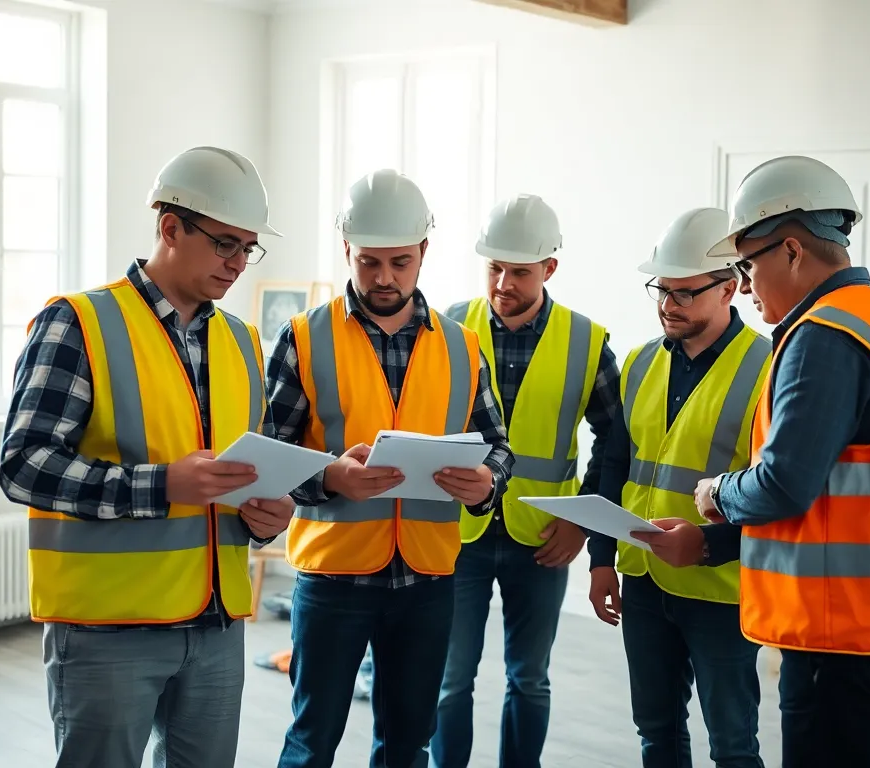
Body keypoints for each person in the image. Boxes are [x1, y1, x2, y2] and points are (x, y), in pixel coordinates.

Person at [648, 156, 870, 768]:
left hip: (843, 630)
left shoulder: (822, 336)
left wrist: (718, 492)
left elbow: (783, 485)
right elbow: (827, 500)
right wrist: (711, 546)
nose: (744, 286)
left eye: (747, 265)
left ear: (791, 252)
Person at [0, 145, 294, 768]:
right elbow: (24, 465)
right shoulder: (78, 322)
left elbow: (250, 469)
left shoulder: (242, 342)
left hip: (216, 625)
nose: (238, 263)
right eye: (225, 244)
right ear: (170, 227)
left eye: (249, 249)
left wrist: (268, 514)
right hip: (108, 630)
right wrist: (161, 486)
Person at [267, 168, 515, 768]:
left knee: (407, 745)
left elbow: (498, 447)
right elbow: (270, 456)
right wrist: (330, 476)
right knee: (311, 742)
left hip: (427, 581)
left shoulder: (463, 347)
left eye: (400, 262)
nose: (384, 277)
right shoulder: (303, 338)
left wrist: (487, 483)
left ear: (423, 252)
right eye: (369, 262)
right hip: (333, 579)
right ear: (346, 250)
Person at [435, 194, 618, 768]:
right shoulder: (447, 327)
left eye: (519, 271)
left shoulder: (586, 341)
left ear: (549, 268)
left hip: (543, 536)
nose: (503, 283)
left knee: (529, 678)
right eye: (495, 267)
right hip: (456, 531)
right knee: (449, 680)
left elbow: (615, 441)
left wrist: (580, 524)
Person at [587, 207, 771, 768]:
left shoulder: (767, 367)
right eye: (662, 290)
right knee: (656, 731)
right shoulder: (640, 362)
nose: (669, 304)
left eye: (685, 292)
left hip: (720, 588)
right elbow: (614, 466)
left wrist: (715, 546)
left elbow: (776, 492)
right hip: (643, 579)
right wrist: (601, 560)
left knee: (732, 744)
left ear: (730, 287)